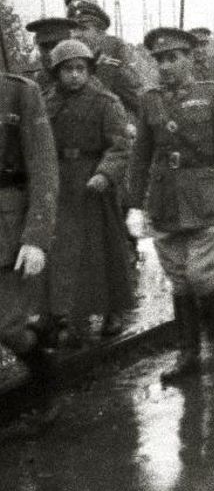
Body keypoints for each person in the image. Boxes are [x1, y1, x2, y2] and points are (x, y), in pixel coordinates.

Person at [125, 27, 214, 384]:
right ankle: (188, 353)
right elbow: (140, 157)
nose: (165, 65)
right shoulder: (150, 100)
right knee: (179, 281)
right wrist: (134, 205)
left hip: (206, 197)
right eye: (159, 59)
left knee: (200, 276)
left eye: (172, 57)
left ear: (190, 58)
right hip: (165, 201)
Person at [41, 40, 134, 345]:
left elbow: (120, 145)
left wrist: (105, 174)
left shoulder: (105, 102)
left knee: (104, 248)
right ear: (57, 73)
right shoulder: (46, 104)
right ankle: (65, 314)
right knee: (64, 252)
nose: (75, 75)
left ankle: (113, 310)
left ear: (90, 70)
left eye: (81, 68)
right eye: (68, 69)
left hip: (94, 182)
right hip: (60, 184)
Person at [0, 72, 58, 375]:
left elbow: (44, 167)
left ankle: (46, 375)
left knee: (7, 327)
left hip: (6, 227)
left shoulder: (18, 92)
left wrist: (37, 236)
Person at [65, 1, 143, 117]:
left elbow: (140, 105)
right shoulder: (64, 65)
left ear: (100, 33)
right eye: (73, 29)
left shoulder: (112, 64)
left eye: (83, 28)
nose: (77, 34)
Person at [24, 17, 80, 91]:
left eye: (55, 46)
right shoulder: (31, 85)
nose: (50, 52)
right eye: (45, 46)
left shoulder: (83, 81)